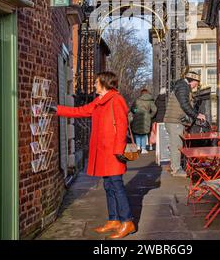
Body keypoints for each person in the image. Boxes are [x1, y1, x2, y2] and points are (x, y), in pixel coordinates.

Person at [55, 71, 136, 240]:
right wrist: (57, 109)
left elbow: (122, 126)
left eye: (96, 82)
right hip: (103, 151)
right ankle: (114, 220)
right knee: (108, 185)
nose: (94, 85)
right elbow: (80, 111)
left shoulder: (116, 100)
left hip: (113, 151)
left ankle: (127, 222)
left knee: (116, 185)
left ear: (105, 83)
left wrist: (118, 150)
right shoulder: (99, 101)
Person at [164, 68, 206, 177]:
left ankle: (176, 166)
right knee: (176, 145)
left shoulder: (182, 86)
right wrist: (197, 115)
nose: (196, 86)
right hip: (175, 121)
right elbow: (185, 105)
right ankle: (176, 169)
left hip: (175, 121)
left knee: (177, 144)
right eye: (196, 84)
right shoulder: (183, 87)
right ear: (191, 80)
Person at [131, 89, 157, 154]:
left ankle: (138, 147)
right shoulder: (150, 101)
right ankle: (143, 148)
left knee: (137, 132)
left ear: (141, 94)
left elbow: (132, 108)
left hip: (137, 117)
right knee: (144, 133)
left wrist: (136, 111)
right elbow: (154, 110)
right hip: (146, 118)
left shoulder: (137, 100)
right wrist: (150, 116)